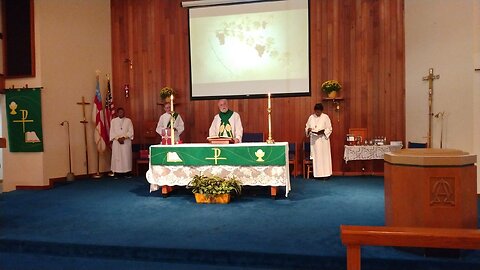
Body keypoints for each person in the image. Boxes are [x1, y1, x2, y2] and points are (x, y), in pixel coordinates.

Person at [305, 103, 332, 178]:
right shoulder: (311, 117)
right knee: (317, 158)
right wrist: (309, 130)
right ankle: (318, 175)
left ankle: (326, 174)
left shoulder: (325, 117)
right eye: (316, 112)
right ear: (314, 111)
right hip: (315, 142)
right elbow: (307, 127)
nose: (318, 113)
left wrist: (323, 131)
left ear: (321, 111)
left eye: (319, 112)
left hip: (323, 141)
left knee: (324, 157)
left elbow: (329, 128)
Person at [110, 107, 134, 177]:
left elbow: (131, 131)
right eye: (119, 112)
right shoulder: (113, 121)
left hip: (126, 141)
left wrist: (124, 138)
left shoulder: (128, 121)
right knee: (117, 157)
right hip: (116, 142)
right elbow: (112, 132)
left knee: (126, 157)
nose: (121, 113)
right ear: (117, 113)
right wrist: (118, 138)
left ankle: (127, 172)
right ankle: (117, 173)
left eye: (122, 112)